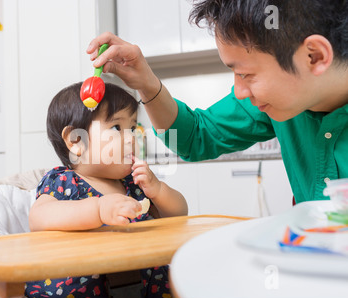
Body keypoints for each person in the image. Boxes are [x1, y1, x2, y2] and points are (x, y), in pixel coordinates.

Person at [86, 0, 348, 205]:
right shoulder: (272, 103)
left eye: (246, 74)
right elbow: (194, 138)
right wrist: (146, 83)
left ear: (314, 56)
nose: (240, 91)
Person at [25, 82, 187, 298]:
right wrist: (98, 209)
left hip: (145, 287)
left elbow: (177, 215)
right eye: (116, 128)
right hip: (79, 289)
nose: (131, 138)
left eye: (133, 128)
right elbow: (38, 217)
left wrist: (158, 189)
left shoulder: (134, 183)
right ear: (76, 141)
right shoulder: (63, 180)